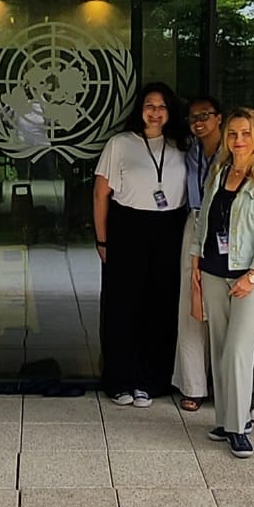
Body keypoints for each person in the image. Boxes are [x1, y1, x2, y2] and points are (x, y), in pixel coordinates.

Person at [190, 108, 254, 458]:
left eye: (246, 133)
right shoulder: (219, 173)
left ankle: (240, 424)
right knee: (219, 349)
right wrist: (196, 262)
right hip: (214, 270)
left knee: (238, 351)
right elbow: (204, 221)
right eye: (233, 134)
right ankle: (226, 420)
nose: (238, 140)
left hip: (250, 278)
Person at [93, 81, 191, 405]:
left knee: (161, 306)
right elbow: (100, 194)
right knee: (123, 306)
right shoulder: (121, 143)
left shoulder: (182, 144)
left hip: (170, 228)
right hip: (128, 227)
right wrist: (102, 239)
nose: (155, 112)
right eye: (150, 105)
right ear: (140, 109)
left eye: (162, 106)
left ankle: (150, 381)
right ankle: (119, 380)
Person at [172, 95, 224, 412]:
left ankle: (225, 383)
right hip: (194, 221)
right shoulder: (189, 149)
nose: (199, 121)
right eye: (193, 117)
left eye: (205, 115)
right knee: (190, 304)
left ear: (220, 118)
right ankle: (193, 385)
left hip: (227, 227)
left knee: (222, 305)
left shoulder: (234, 149)